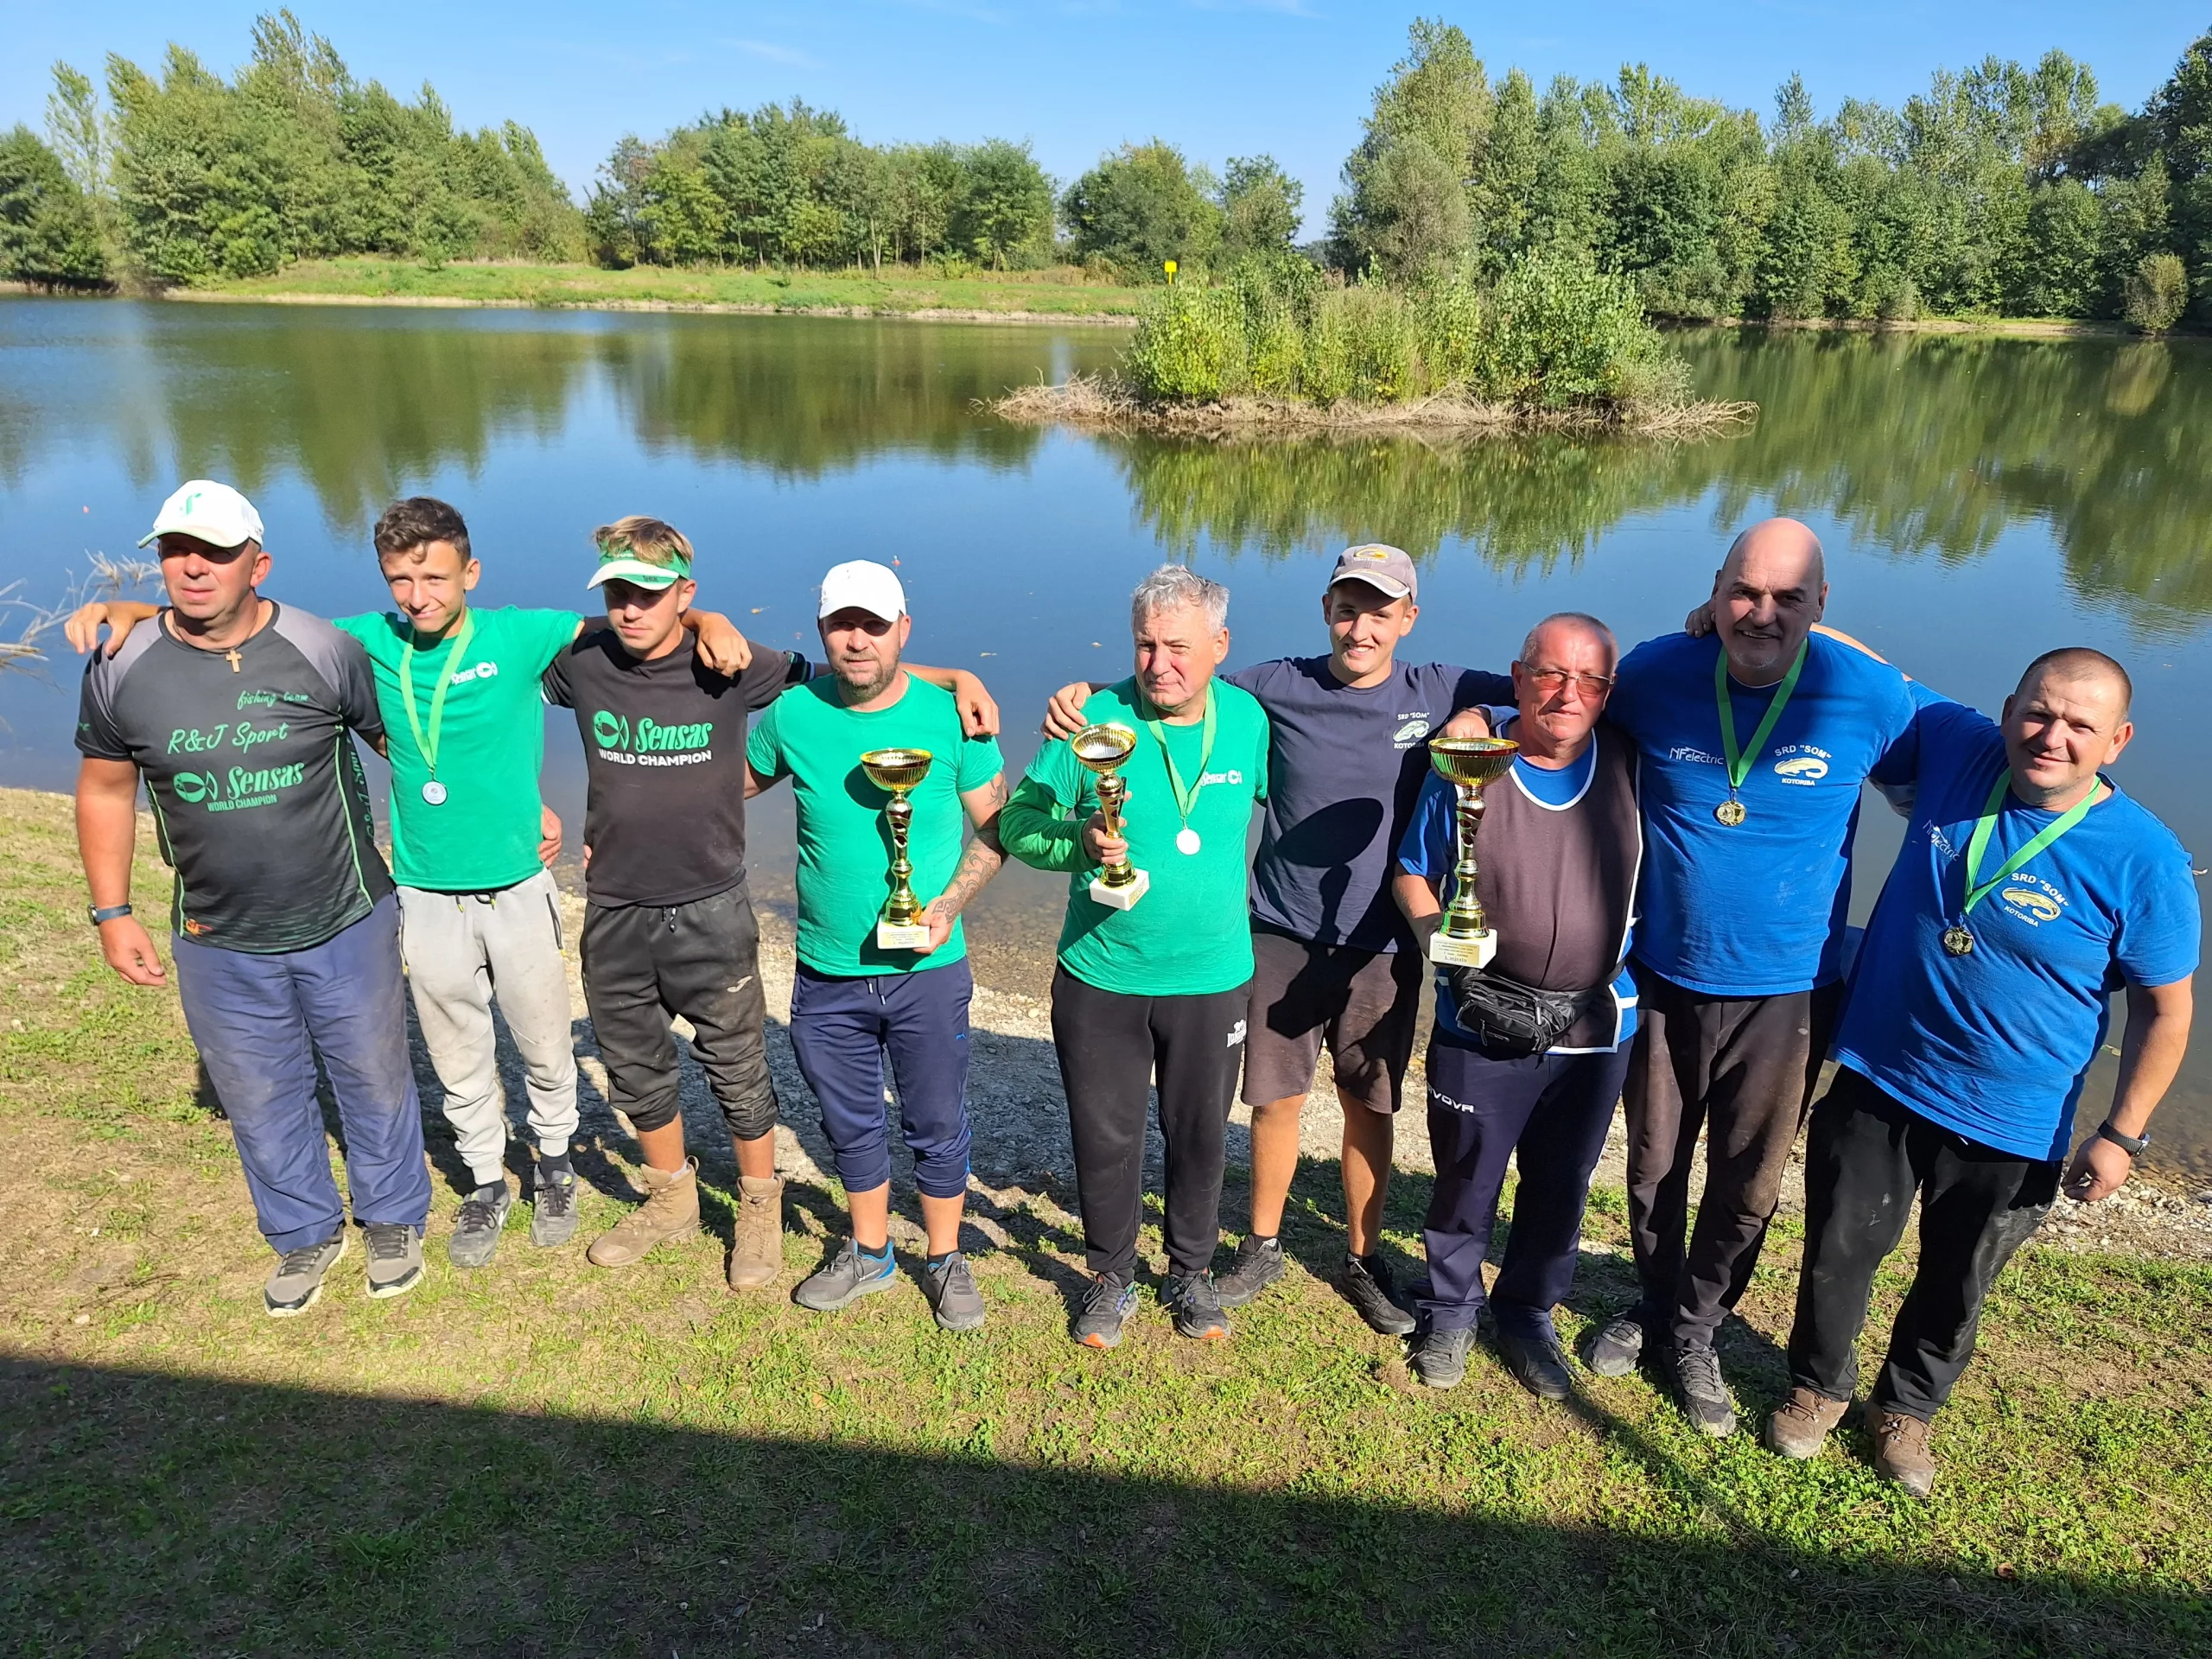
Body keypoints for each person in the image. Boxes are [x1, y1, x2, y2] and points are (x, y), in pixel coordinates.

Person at [70, 497, 755, 1270]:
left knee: (542, 1040)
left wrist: (711, 621)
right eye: (401, 579)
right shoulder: (358, 642)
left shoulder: (521, 635)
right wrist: (140, 608)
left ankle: (556, 1165)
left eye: (434, 577)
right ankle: (487, 1177)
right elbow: (246, 621)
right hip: (424, 891)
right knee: (456, 1047)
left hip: (519, 885)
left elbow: (639, 619)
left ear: (471, 572)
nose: (418, 596)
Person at [1042, 543, 1510, 1336]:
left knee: (1370, 1103)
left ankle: (1363, 1258)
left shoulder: (1443, 687)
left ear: (1409, 619)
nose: (1361, 628)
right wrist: (1083, 695)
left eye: (1380, 612)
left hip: (1385, 943)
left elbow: (1557, 693)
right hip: (1279, 932)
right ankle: (1260, 1245)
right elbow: (1179, 682)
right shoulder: (1270, 689)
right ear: (1326, 609)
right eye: (1347, 607)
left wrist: (1486, 717)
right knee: (1273, 1098)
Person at [1767, 650, 2196, 1497]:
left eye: (2080, 725)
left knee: (1956, 1279)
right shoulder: (1959, 749)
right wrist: (1762, 612)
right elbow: (1867, 673)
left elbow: (2167, 1011)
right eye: (2039, 712)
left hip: (2014, 1116)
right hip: (1881, 1075)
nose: (2052, 736)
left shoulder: (2145, 859)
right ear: (2007, 709)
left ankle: (1906, 1410)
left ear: (2117, 741)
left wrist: (2121, 1134)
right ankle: (1818, 1387)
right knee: (1837, 1250)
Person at [1584, 518, 1935, 1438]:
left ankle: (1698, 1328)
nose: (1760, 613)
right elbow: (1556, 707)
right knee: (1655, 1166)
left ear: (1822, 604)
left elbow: (1977, 763)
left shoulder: (1867, 693)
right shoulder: (1657, 672)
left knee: (1746, 1182)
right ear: (1713, 590)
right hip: (1662, 974)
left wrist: (2108, 824)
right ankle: (1656, 1307)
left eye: (1788, 597)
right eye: (1743, 591)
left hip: (1789, 991)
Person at [73, 480, 433, 1313]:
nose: (193, 567)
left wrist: (508, 812)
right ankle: (304, 1233)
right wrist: (112, 911)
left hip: (345, 912)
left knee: (374, 1076)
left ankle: (392, 1216)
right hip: (218, 932)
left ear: (257, 563)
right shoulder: (120, 665)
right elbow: (102, 789)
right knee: (258, 1092)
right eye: (174, 551)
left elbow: (408, 745)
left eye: (216, 552)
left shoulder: (323, 648)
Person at [1004, 564, 1271, 1348]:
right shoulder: (1094, 716)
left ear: (1220, 645)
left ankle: (1190, 1273)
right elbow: (1021, 823)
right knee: (1107, 1136)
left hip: (1213, 979)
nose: (1160, 664)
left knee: (1199, 1135)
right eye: (1146, 645)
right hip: (1101, 974)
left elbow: (1300, 804)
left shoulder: (1252, 722)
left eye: (1179, 647)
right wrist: (1079, 847)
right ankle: (1109, 1274)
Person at [745, 560, 1008, 1332]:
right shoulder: (792, 716)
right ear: (821, 630)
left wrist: (949, 903)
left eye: (872, 624)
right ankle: (869, 1253)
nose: (856, 640)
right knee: (848, 1120)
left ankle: (944, 1255)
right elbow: (727, 790)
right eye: (840, 625)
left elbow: (996, 831)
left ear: (903, 629)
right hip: (827, 969)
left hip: (929, 967)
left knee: (936, 1119)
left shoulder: (952, 717)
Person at [1391, 613, 1643, 1395]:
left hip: (1596, 1022)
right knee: (1467, 1177)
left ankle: (1529, 1312)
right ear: (1518, 674)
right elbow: (1411, 872)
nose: (1567, 694)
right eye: (1549, 675)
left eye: (1589, 681)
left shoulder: (1637, 764)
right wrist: (1444, 943)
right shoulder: (1471, 761)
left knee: (1561, 1181)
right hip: (1480, 1016)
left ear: (1607, 693)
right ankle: (1452, 1307)